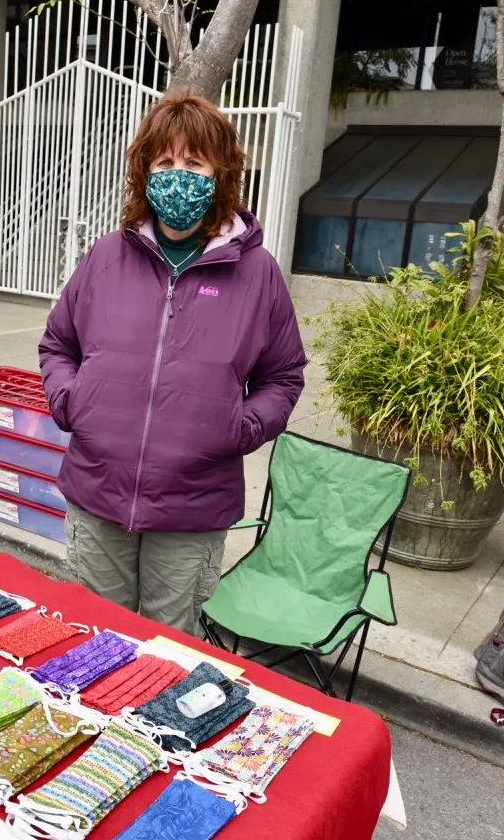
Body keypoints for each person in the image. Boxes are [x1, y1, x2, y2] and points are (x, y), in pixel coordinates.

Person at [39, 92, 306, 636]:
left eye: (194, 163)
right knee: (94, 640)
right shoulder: (106, 257)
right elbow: (58, 345)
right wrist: (71, 402)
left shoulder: (257, 273)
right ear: (144, 171)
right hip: (98, 493)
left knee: (169, 652)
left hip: (192, 507)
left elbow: (282, 375)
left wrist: (239, 428)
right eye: (164, 161)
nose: (177, 176)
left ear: (220, 174)